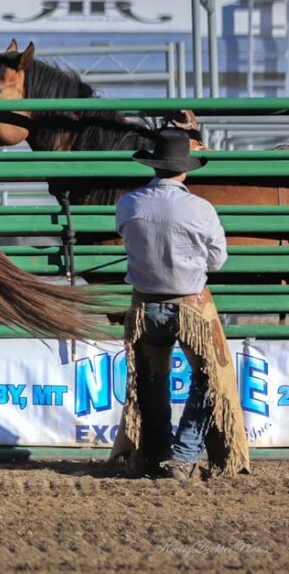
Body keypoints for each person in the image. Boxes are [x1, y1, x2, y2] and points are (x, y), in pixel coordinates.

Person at [109, 129, 249, 481]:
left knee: (150, 379)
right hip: (190, 307)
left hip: (145, 307)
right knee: (208, 378)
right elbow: (217, 261)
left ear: (153, 165)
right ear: (185, 169)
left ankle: (155, 453)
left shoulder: (129, 204)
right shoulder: (201, 209)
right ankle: (183, 458)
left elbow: (126, 236)